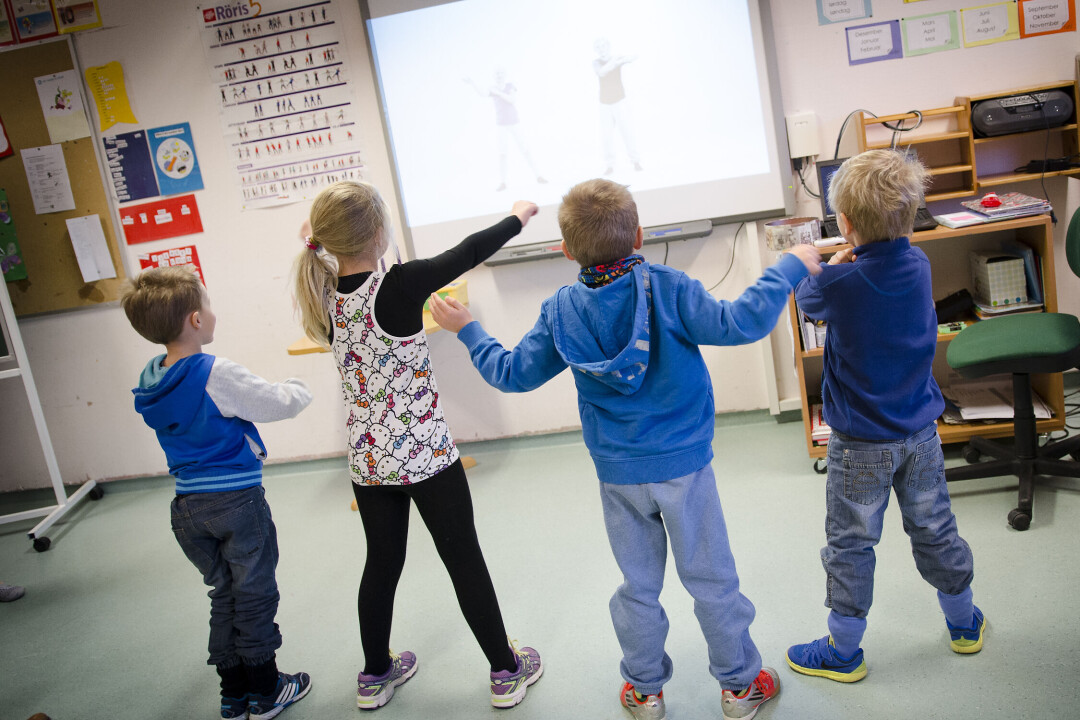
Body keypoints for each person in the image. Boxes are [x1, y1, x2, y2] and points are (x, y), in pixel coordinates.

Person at [429, 178, 823, 720]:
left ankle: (644, 691)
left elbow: (512, 374)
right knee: (711, 578)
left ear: (565, 250)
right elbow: (742, 322)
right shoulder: (670, 287)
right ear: (638, 235)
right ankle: (738, 686)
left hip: (617, 473)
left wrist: (469, 328)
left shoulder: (560, 310)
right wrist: (788, 266)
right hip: (684, 465)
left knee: (637, 587)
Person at [291, 181, 543, 711]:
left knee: (381, 565)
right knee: (464, 560)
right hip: (427, 457)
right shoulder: (399, 286)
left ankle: (375, 674)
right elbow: (468, 252)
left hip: (371, 462)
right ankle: (505, 670)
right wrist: (518, 218)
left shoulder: (324, 293)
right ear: (380, 234)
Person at [785, 149, 984, 684]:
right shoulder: (918, 263)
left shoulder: (838, 282)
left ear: (844, 224)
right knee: (934, 526)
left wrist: (833, 262)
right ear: (911, 213)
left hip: (858, 443)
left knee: (851, 543)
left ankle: (845, 651)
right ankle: (964, 624)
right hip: (921, 432)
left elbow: (807, 298)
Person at [122, 266, 314, 720]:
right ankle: (267, 691)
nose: (212, 312)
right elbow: (275, 403)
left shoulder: (152, 380)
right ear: (195, 320)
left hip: (187, 508)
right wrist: (297, 387)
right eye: (206, 305)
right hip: (237, 502)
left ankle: (234, 695)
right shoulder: (213, 372)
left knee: (223, 594)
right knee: (255, 593)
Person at [464, 68, 548, 191]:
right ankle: (503, 182)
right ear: (494, 76)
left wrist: (498, 93)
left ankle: (539, 176)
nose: (499, 75)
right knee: (502, 154)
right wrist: (472, 83)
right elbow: (483, 93)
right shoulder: (492, 88)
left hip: (515, 123)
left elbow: (512, 99)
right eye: (497, 73)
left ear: (505, 75)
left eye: (501, 73)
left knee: (525, 150)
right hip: (501, 125)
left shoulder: (510, 86)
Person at [592, 38, 641, 175]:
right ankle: (610, 165)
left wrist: (621, 60)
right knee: (607, 136)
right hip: (605, 104)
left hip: (620, 101)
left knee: (627, 132)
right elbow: (601, 72)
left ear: (608, 47)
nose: (601, 50)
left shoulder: (616, 59)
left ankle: (635, 161)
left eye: (603, 46)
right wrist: (615, 62)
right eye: (598, 47)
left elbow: (633, 57)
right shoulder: (596, 63)